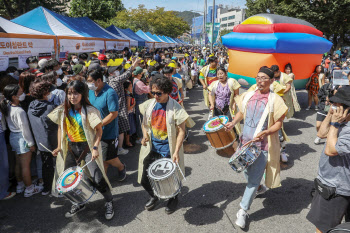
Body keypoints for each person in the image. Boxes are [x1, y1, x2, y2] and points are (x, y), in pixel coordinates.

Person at [225, 66, 287, 229]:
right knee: (245, 172)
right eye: (258, 77)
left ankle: (243, 210)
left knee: (253, 179)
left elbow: (279, 123)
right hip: (245, 142)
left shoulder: (276, 100)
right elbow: (241, 112)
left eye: (263, 78)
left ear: (271, 81)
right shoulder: (249, 95)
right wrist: (233, 122)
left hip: (262, 146)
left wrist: (267, 131)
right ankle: (259, 187)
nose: (259, 81)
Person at [49, 80, 114, 220]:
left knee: (98, 177)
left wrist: (95, 147)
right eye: (70, 93)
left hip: (88, 147)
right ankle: (78, 202)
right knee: (66, 180)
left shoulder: (90, 110)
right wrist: (59, 147)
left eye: (76, 93)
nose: (72, 96)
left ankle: (109, 201)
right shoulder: (63, 110)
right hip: (71, 149)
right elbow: (61, 127)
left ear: (83, 94)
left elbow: (98, 131)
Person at [137, 75, 194, 214]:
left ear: (167, 92)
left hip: (168, 149)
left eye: (159, 93)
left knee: (169, 179)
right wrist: (145, 135)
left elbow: (182, 131)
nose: (155, 96)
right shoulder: (149, 105)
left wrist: (175, 151)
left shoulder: (176, 107)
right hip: (152, 148)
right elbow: (144, 123)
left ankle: (173, 198)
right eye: (153, 92)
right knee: (144, 178)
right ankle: (154, 195)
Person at [307, 86, 350, 233]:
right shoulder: (340, 120)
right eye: (333, 104)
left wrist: (335, 124)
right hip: (330, 183)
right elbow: (321, 133)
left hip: (339, 188)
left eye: (338, 106)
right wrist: (330, 116)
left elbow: (330, 150)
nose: (334, 108)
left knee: (324, 229)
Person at [0, 84, 42, 197]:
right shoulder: (19, 111)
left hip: (13, 136)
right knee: (25, 166)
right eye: (20, 93)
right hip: (22, 138)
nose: (23, 94)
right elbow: (25, 129)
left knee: (18, 164)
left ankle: (20, 185)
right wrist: (31, 143)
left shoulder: (7, 106)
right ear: (14, 96)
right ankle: (29, 188)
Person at [87, 69, 126, 181]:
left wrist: (99, 124)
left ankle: (121, 167)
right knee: (102, 157)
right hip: (95, 130)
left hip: (108, 132)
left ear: (99, 80)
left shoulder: (110, 93)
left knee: (109, 158)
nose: (89, 84)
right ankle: (103, 180)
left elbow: (113, 114)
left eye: (91, 81)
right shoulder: (91, 91)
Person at [27, 80, 57, 195]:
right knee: (56, 164)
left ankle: (47, 187)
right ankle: (57, 187)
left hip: (40, 141)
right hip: (53, 142)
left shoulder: (31, 106)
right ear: (45, 93)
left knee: (46, 164)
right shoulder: (50, 107)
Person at [108, 58, 141, 154]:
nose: (118, 71)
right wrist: (134, 64)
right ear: (111, 73)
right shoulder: (116, 81)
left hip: (114, 108)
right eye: (116, 70)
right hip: (120, 108)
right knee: (121, 131)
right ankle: (119, 148)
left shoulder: (109, 80)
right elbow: (127, 74)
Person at [133, 66, 151, 144]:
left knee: (139, 119)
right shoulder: (139, 82)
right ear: (139, 74)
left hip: (137, 102)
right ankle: (141, 136)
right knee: (141, 120)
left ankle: (140, 136)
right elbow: (148, 90)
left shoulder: (134, 80)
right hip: (140, 102)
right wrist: (149, 82)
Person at [124, 80, 136, 147]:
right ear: (126, 89)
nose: (131, 88)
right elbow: (128, 108)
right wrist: (134, 104)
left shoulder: (128, 95)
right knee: (129, 129)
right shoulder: (128, 96)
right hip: (129, 113)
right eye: (130, 87)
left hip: (130, 113)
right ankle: (127, 142)